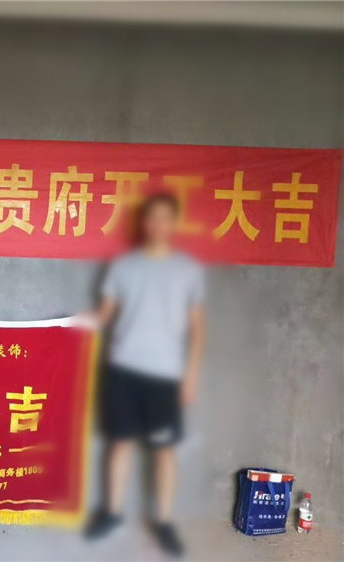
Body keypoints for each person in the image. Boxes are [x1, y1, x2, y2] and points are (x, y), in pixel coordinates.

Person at [86, 193, 205, 558]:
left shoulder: (188, 271)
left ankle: (164, 522)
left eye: (165, 217)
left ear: (174, 223)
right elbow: (105, 314)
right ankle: (111, 513)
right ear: (143, 222)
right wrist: (65, 327)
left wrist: (191, 374)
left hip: (164, 375)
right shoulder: (123, 267)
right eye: (151, 217)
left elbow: (197, 327)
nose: (157, 224)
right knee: (119, 443)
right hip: (122, 368)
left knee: (164, 451)